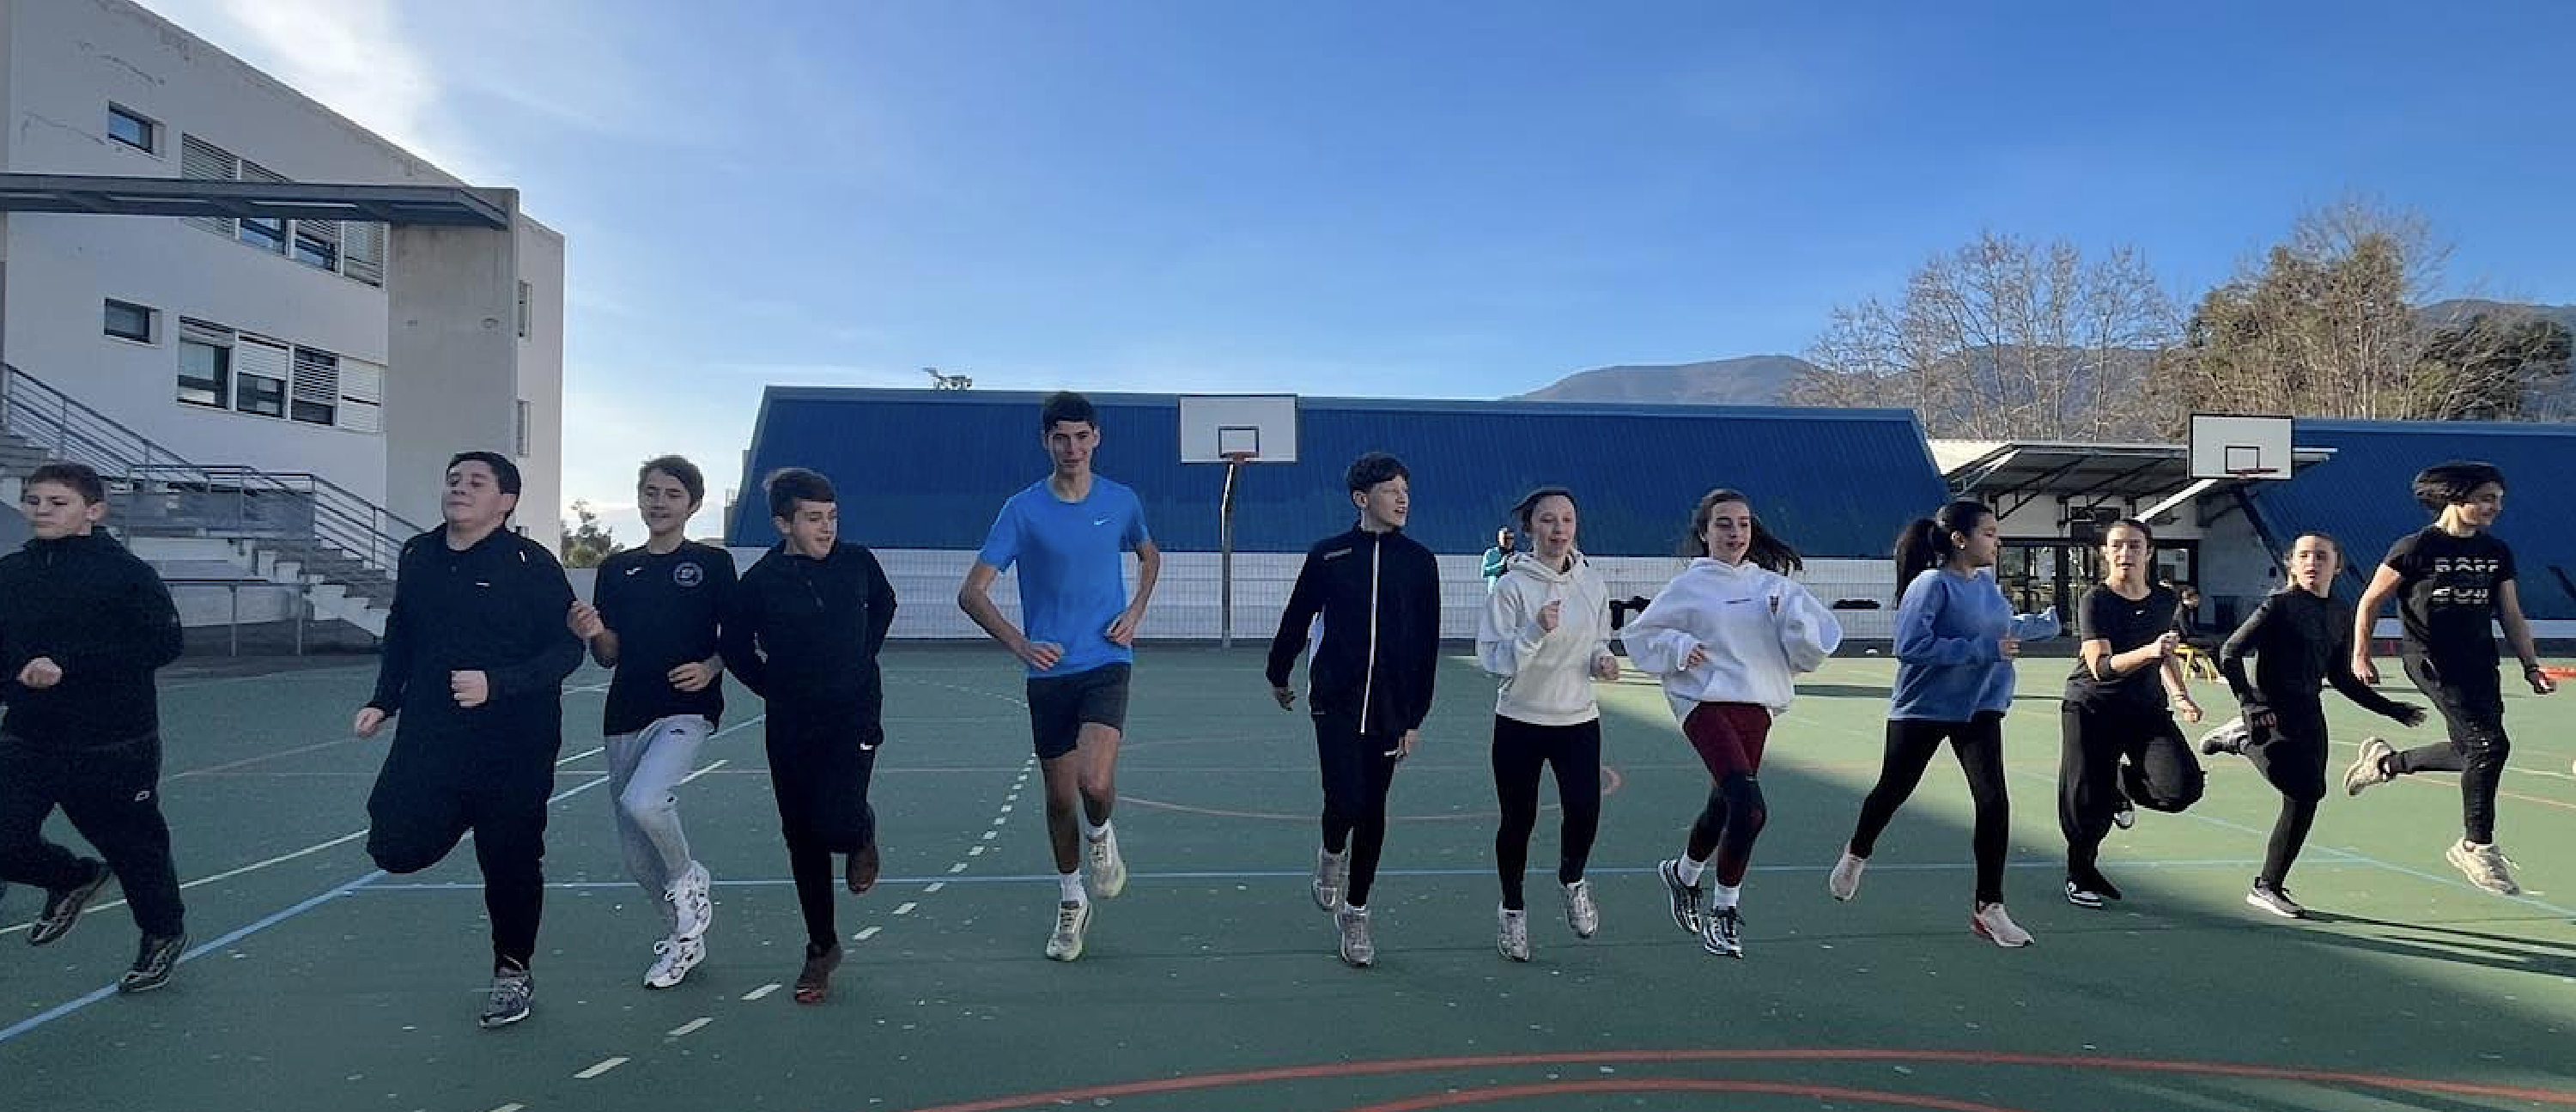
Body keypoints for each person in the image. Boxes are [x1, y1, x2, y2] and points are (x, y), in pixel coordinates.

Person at [355, 452, 582, 1028]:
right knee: (394, 845)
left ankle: (512, 969)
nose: (459, 488)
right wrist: (385, 697)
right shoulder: (419, 555)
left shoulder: (532, 565)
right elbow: (402, 628)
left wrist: (497, 683)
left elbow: (566, 649)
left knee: (508, 857)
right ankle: (462, 811)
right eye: (453, 479)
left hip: (517, 741)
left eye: (476, 482)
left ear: (506, 501)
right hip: (433, 731)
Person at [957, 392, 1160, 962]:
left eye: (1081, 436)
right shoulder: (1021, 510)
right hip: (1049, 672)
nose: (1071, 447)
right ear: (1046, 441)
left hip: (1106, 661)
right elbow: (971, 592)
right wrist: (1021, 643)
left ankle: (1102, 836)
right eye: (1060, 437)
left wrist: (1136, 611)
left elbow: (1149, 554)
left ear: (1096, 437)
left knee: (1094, 783)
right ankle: (1072, 898)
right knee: (1056, 797)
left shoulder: (1121, 501)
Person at [1625, 489, 1841, 959]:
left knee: (1724, 805)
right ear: (1704, 532)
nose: (1735, 533)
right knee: (1750, 806)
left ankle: (1682, 874)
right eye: (1723, 524)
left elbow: (1813, 646)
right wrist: (1680, 648)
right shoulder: (1689, 587)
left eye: (1743, 524)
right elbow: (1640, 637)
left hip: (1757, 708)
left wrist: (1797, 629)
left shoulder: (1773, 587)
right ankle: (1724, 912)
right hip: (1704, 703)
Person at [0, 462, 186, 993]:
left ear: (93, 511)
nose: (42, 511)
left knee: (133, 847)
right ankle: (72, 876)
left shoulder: (127, 575)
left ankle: (162, 934)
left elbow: (161, 644)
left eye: (57, 502)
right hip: (29, 736)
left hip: (112, 744)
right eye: (33, 500)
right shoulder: (10, 575)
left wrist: (68, 666)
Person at [721, 467, 896, 1003]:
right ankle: (821, 947)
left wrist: (857, 662)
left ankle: (861, 833)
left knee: (837, 823)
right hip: (791, 722)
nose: (827, 529)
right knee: (802, 838)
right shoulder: (762, 581)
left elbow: (883, 609)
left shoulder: (858, 563)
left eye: (832, 517)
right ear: (783, 524)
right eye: (814, 519)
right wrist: (773, 686)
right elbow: (734, 645)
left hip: (854, 715)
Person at [1828, 500, 2036, 948]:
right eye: (1989, 534)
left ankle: (1989, 906)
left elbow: (1998, 629)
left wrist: (2033, 627)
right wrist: (1983, 650)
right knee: (1893, 790)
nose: (1997, 543)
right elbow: (1910, 645)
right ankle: (1857, 852)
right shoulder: (1930, 585)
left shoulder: (1987, 587)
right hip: (1924, 707)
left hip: (1978, 707)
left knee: (1993, 800)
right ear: (1959, 539)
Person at [2343, 461, 2555, 895]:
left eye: (2499, 500)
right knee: (2489, 746)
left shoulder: (2496, 553)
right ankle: (2476, 846)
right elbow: (2369, 602)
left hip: (2479, 663)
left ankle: (2383, 763)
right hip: (2430, 661)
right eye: (2487, 499)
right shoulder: (2416, 547)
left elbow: (2511, 614)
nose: (2496, 508)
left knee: (2471, 753)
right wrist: (2360, 655)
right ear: (2456, 499)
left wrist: (2532, 666)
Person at [1266, 452, 1441, 969]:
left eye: (1405, 488)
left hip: (1391, 707)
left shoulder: (1419, 562)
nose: (1402, 497)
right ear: (1363, 499)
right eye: (1391, 489)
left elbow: (1426, 643)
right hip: (1335, 700)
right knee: (1343, 799)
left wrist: (1415, 717)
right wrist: (1279, 673)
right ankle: (1329, 853)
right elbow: (1297, 617)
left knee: (1374, 808)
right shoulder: (1330, 555)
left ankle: (1357, 911)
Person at [568, 456, 736, 989]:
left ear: (692, 505)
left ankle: (690, 877)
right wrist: (593, 631)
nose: (658, 502)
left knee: (646, 800)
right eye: (650, 492)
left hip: (687, 710)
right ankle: (684, 940)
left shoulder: (712, 564)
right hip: (625, 713)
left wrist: (711, 667)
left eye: (671, 494)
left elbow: (736, 634)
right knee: (637, 859)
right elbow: (609, 655)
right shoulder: (616, 568)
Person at [2202, 533, 2425, 917]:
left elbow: (2339, 676)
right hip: (2269, 710)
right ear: (2291, 564)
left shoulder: (2339, 612)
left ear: (2336, 565)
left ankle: (2268, 886)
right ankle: (2241, 738)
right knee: (2296, 786)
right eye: (2304, 556)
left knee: (2308, 796)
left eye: (2321, 556)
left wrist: (2389, 709)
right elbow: (2229, 653)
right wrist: (2249, 703)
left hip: (2308, 711)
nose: (2312, 562)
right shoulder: (2278, 606)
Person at [1476, 487, 1617, 962]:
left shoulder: (1591, 584)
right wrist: (1534, 630)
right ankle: (1511, 909)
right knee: (1519, 820)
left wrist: (1602, 660)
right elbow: (1495, 661)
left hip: (1578, 720)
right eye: (1547, 521)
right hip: (1520, 720)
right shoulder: (1513, 587)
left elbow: (1600, 638)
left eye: (1567, 520)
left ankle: (1573, 880)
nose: (1558, 530)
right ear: (1529, 528)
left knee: (1584, 812)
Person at [2058, 519, 2206, 909]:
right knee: (2085, 797)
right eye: (2118, 546)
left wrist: (2181, 695)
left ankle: (2120, 786)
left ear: (2149, 552)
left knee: (2182, 789)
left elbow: (2165, 654)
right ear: (2105, 553)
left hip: (2145, 709)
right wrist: (2151, 651)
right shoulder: (2095, 600)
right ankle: (2080, 873)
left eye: (2135, 546)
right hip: (2093, 706)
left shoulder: (2164, 600)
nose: (2126, 554)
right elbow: (2101, 667)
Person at [1480, 528, 1514, 593]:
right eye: (1505, 538)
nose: (1508, 541)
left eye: (1511, 538)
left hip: (1512, 593)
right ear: (1499, 539)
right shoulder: (1491, 553)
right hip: (1496, 593)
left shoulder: (1517, 555)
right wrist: (1501, 564)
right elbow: (1484, 572)